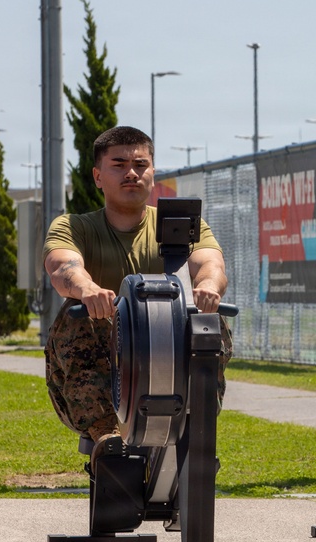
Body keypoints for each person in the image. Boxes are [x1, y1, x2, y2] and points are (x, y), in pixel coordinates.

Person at [43, 126, 231, 463]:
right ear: (98, 176)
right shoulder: (74, 226)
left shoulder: (183, 227)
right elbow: (62, 267)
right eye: (118, 165)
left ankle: (196, 427)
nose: (131, 173)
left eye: (141, 165)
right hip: (107, 363)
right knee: (77, 313)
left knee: (208, 321)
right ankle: (107, 438)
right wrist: (88, 290)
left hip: (167, 351)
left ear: (153, 173)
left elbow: (210, 262)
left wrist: (208, 287)